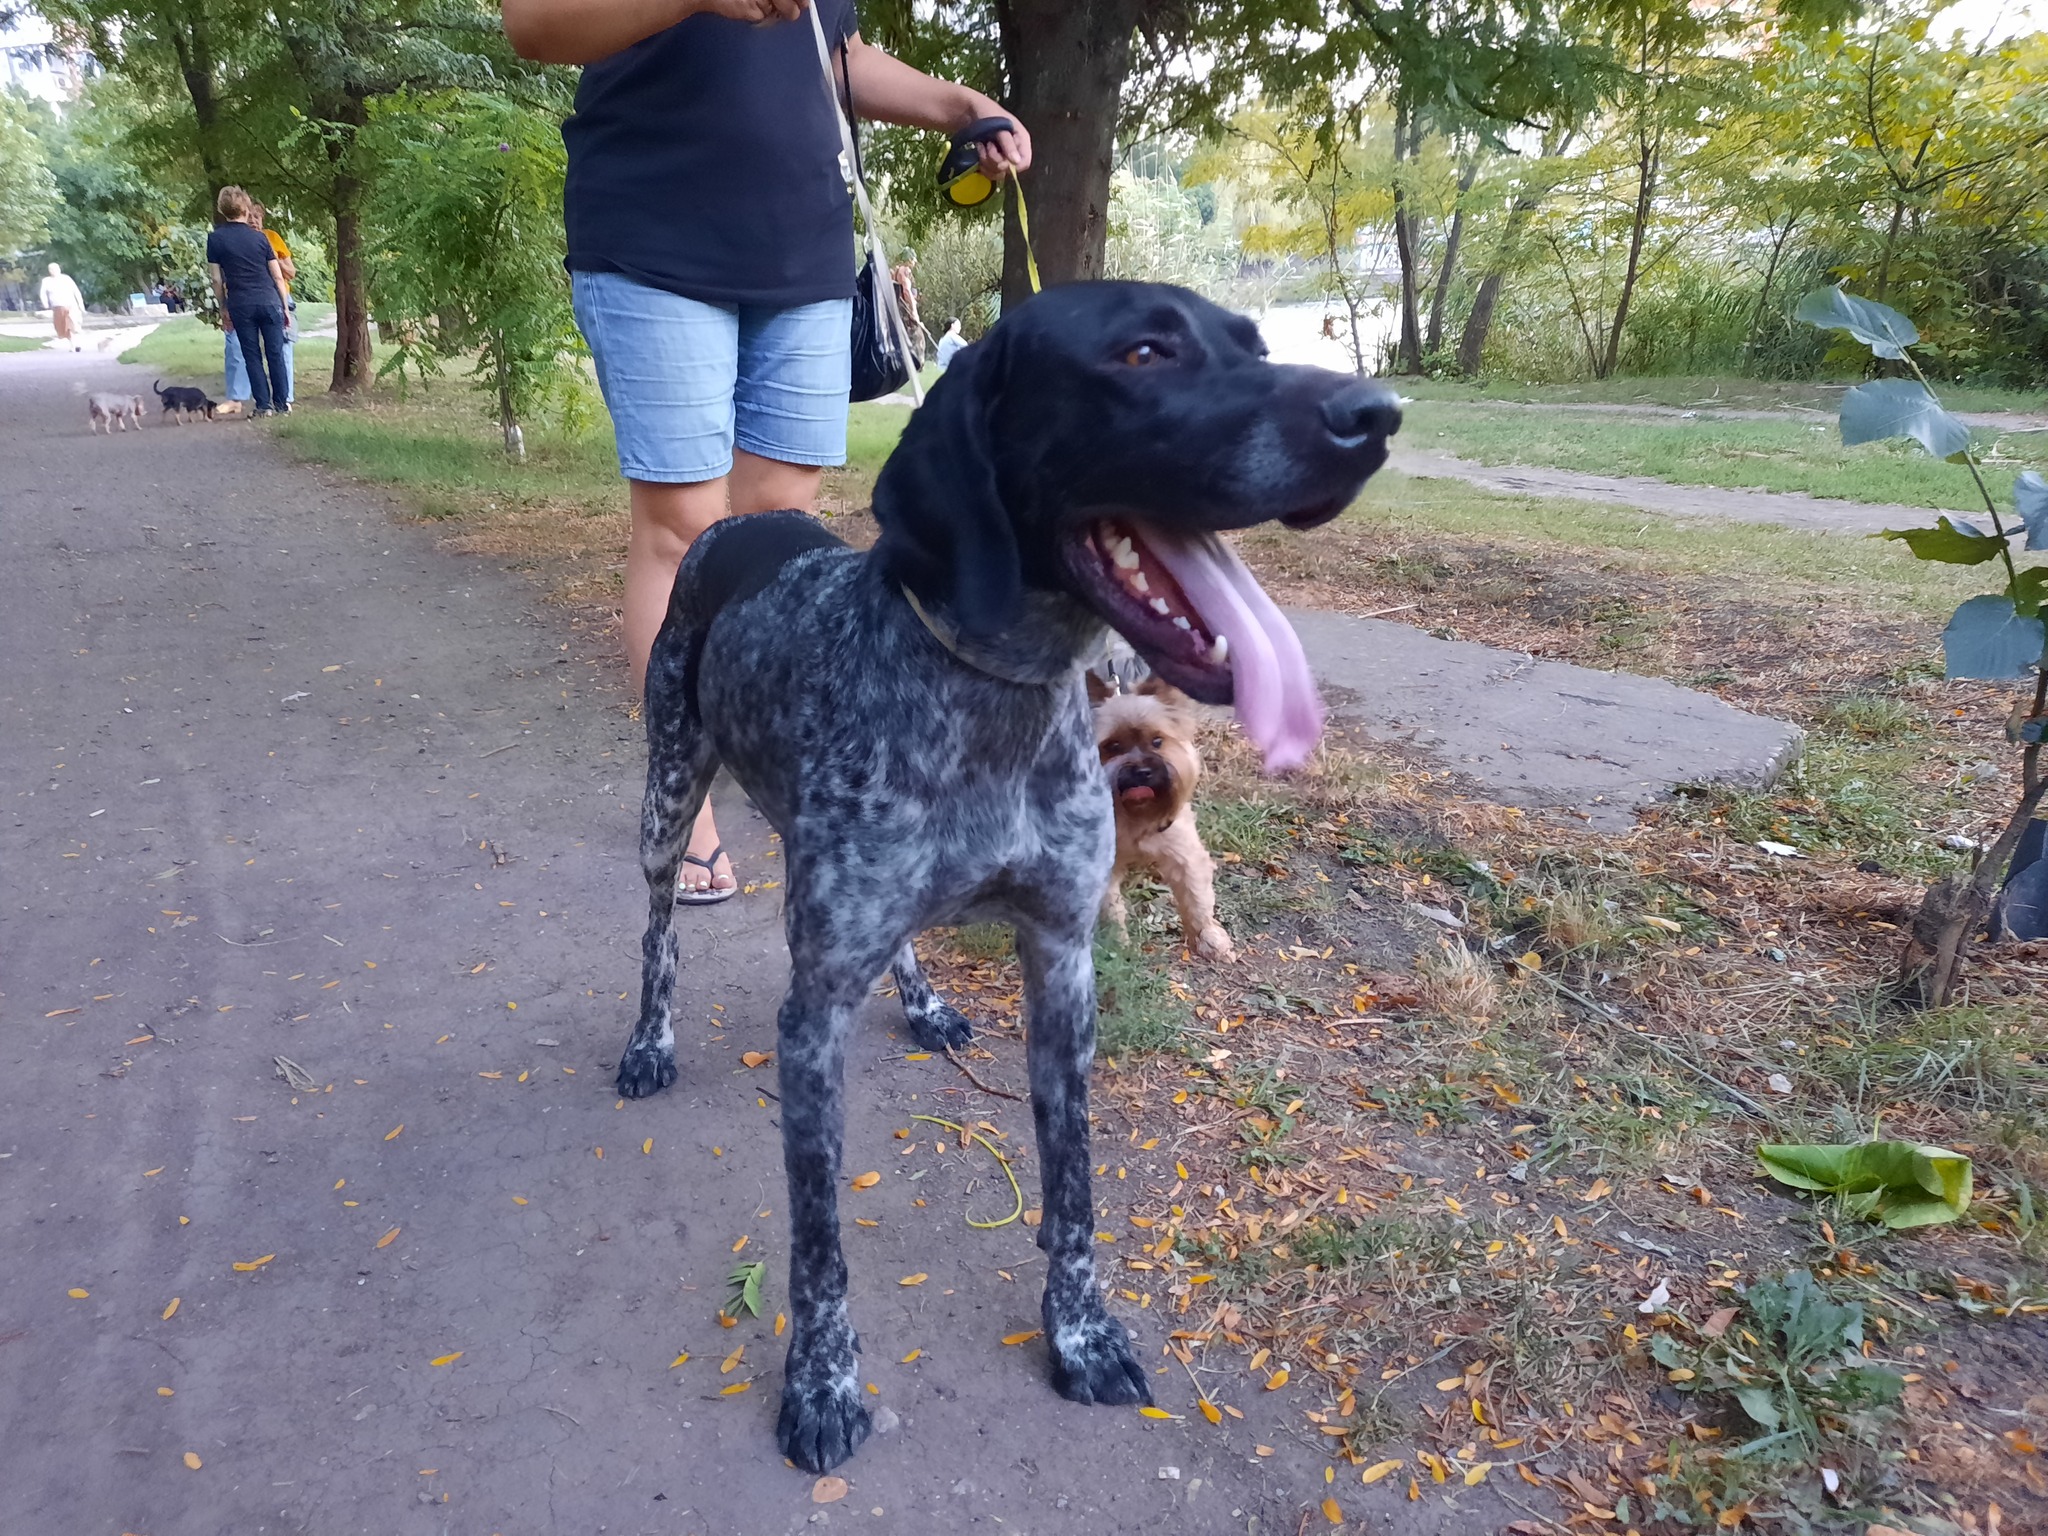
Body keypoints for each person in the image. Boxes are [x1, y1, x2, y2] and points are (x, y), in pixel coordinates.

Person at [502, 0, 1030, 903]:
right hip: (652, 237)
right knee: (682, 531)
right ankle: (689, 803)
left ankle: (768, 749)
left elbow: (833, 54)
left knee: (782, 523)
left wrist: (959, 101)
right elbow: (536, 26)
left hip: (803, 245)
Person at [206, 185, 294, 418]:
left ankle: (263, 406)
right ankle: (282, 405)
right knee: (275, 352)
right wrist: (284, 305)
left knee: (251, 354)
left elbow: (216, 279)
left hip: (240, 303)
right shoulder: (261, 238)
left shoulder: (215, 239)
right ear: (245, 208)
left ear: (222, 210)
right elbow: (277, 275)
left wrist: (223, 307)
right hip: (269, 300)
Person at [251, 201, 297, 406]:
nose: (253, 220)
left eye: (257, 216)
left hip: (280, 297)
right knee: (254, 350)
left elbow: (291, 272)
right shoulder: (241, 240)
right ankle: (260, 399)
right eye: (249, 216)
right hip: (254, 298)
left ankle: (286, 397)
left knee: (283, 347)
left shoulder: (272, 237)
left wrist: (271, 257)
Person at [39, 263, 85, 351]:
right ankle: (74, 343)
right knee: (63, 327)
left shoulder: (66, 278)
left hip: (70, 305)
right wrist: (45, 303)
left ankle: (74, 345)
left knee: (71, 325)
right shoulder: (46, 281)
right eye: (51, 269)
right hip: (57, 307)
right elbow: (43, 293)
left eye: (55, 269)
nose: (53, 271)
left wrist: (81, 304)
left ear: (59, 269)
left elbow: (76, 291)